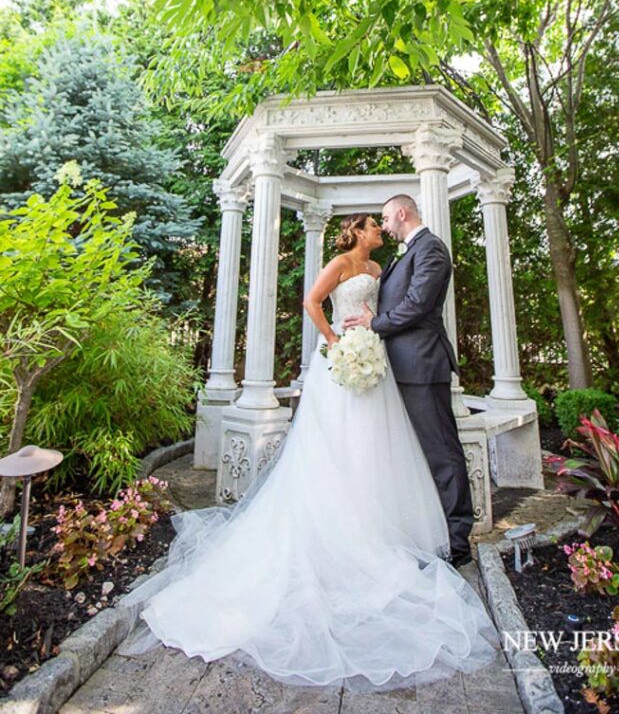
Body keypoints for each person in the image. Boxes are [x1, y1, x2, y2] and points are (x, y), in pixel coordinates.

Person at [121, 213, 497, 688]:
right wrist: (335, 340)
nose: (380, 232)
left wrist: (370, 333)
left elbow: (404, 306)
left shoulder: (382, 270)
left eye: (384, 225)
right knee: (336, 446)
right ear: (358, 232)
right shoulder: (338, 262)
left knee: (377, 447)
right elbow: (312, 302)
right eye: (374, 227)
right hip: (341, 362)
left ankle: (377, 524)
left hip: (377, 361)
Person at [344, 195, 474, 567]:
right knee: (417, 454)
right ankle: (430, 531)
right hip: (401, 366)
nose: (383, 225)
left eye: (385, 217)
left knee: (442, 452)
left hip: (422, 364)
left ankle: (458, 542)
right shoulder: (408, 252)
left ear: (402, 213)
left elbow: (417, 304)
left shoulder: (431, 248)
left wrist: (375, 324)